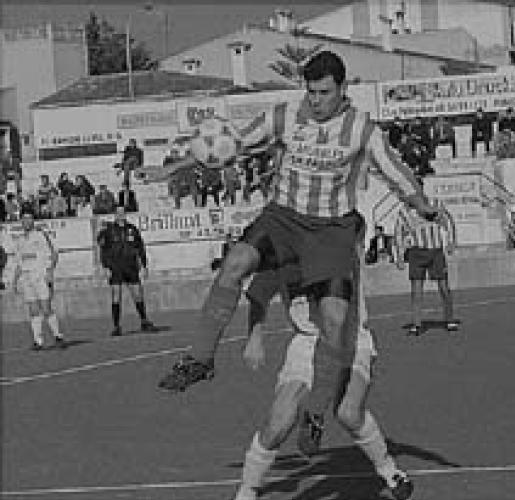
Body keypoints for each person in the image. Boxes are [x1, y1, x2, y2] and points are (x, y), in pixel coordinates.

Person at [157, 51, 436, 454]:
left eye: (324, 92)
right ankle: (200, 359)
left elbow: (394, 170)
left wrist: (420, 203)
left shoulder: (362, 128)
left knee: (335, 320)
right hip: (283, 218)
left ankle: (316, 413)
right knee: (235, 263)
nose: (316, 100)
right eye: (311, 91)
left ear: (342, 89)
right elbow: (232, 145)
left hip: (331, 230)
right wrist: (175, 167)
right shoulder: (284, 116)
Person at [232, 264, 413, 500]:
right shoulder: (281, 250)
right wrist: (254, 337)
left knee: (348, 413)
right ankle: (248, 489)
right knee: (278, 422)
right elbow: (259, 292)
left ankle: (388, 469)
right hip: (307, 342)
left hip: (350, 338)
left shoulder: (343, 242)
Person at [394, 201, 458, 336]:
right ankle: (416, 324)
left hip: (436, 251)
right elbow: (398, 233)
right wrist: (399, 256)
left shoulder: (434, 203)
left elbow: (448, 220)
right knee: (416, 291)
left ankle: (449, 319)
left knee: (444, 287)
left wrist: (451, 241)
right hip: (416, 252)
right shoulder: (404, 212)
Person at [6, 208, 67, 350]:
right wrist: (14, 280)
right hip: (27, 279)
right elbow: (19, 262)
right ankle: (38, 341)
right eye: (24, 219)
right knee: (33, 310)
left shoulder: (41, 235)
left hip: (40, 276)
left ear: (33, 220)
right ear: (21, 221)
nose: (27, 221)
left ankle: (58, 336)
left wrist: (50, 271)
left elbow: (54, 253)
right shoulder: (20, 240)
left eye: (29, 218)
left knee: (46, 308)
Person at [96, 206, 158, 336]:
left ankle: (144, 321)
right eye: (118, 213)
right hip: (115, 267)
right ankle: (116, 326)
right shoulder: (108, 230)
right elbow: (102, 249)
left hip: (130, 266)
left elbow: (140, 247)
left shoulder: (132, 229)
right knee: (116, 296)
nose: (121, 215)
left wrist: (144, 265)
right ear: (115, 215)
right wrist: (105, 266)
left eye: (123, 212)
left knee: (137, 294)